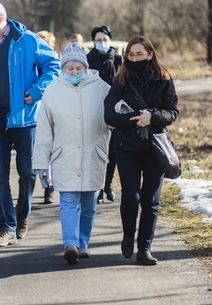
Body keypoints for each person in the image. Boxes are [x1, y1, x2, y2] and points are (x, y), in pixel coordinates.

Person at [0, 0, 60, 247]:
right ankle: (5, 227)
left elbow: (54, 65)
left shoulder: (27, 40)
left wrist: (38, 90)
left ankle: (22, 215)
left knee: (27, 172)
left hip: (25, 118)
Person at [103, 36, 178, 266]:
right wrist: (135, 120)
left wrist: (152, 117)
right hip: (127, 148)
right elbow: (109, 116)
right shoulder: (120, 80)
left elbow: (172, 112)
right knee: (131, 197)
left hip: (155, 148)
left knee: (151, 200)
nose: (135, 58)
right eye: (131, 55)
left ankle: (144, 248)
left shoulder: (163, 78)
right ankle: (128, 234)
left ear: (150, 54)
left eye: (139, 54)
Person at [33, 43, 110, 265]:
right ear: (63, 69)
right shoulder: (52, 90)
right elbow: (44, 130)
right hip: (63, 155)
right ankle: (70, 244)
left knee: (88, 204)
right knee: (67, 201)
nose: (74, 72)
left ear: (85, 67)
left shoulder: (101, 88)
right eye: (70, 69)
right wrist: (41, 162)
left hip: (93, 155)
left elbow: (113, 117)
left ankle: (83, 243)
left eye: (78, 68)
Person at [86, 24, 123, 204]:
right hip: (93, 108)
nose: (102, 42)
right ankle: (98, 187)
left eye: (105, 39)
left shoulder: (118, 59)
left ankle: (108, 183)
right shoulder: (88, 59)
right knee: (96, 149)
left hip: (114, 108)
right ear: (93, 42)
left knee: (112, 150)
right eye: (98, 40)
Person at [36, 29, 58, 205]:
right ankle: (45, 183)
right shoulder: (32, 65)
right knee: (39, 155)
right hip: (35, 116)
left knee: (50, 154)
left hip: (52, 115)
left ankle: (48, 189)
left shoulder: (58, 65)